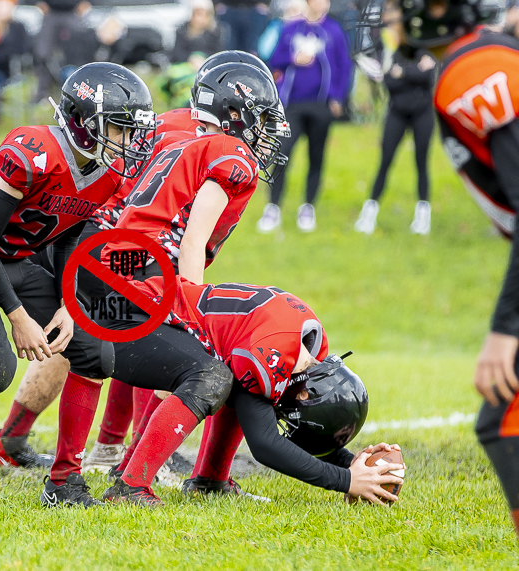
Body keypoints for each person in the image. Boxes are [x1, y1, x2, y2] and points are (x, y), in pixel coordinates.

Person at [31, 62, 285, 507]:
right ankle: (132, 479)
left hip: (107, 257)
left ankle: (79, 474)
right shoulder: (233, 156)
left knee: (100, 358)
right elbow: (191, 244)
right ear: (235, 116)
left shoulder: (187, 139)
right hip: (133, 268)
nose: (265, 133)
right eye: (260, 119)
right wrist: (194, 313)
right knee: (207, 369)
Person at [0, 62, 157, 507]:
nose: (127, 141)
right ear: (85, 123)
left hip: (16, 259)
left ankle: (65, 481)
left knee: (96, 353)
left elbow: (71, 232)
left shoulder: (108, 170)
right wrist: (18, 316)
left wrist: (69, 303)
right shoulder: (34, 152)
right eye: (118, 128)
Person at [358, 0, 517, 539]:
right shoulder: (473, 60)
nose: (392, 21)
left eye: (402, 10)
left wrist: (504, 331)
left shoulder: (473, 70)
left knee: (505, 421)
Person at [99, 275, 403, 505]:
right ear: (305, 395)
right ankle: (130, 487)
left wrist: (348, 462)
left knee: (231, 378)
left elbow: (253, 403)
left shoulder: (306, 349)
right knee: (211, 379)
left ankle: (209, 482)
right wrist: (346, 480)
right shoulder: (276, 349)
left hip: (149, 312)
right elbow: (265, 443)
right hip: (128, 313)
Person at [257, 0, 353, 233]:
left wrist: (338, 97)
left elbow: (344, 65)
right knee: (282, 153)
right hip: (292, 105)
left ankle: (308, 207)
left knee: (316, 156)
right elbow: (273, 59)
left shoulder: (334, 30)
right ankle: (273, 207)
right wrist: (293, 59)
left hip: (321, 105)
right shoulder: (291, 28)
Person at [354, 0, 436, 236]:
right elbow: (389, 80)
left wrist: (404, 72)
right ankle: (368, 214)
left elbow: (428, 77)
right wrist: (414, 71)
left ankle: (423, 216)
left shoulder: (422, 41)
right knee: (385, 161)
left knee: (422, 162)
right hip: (397, 110)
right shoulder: (386, 47)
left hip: (422, 111)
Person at [32, 0, 97, 104]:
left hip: (73, 11)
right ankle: (42, 94)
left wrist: (88, 2)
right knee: (42, 53)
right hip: (51, 11)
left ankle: (82, 94)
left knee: (80, 53)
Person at [171, 0, 224, 65]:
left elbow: (218, 53)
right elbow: (177, 53)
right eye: (197, 14)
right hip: (186, 66)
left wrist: (203, 60)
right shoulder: (182, 30)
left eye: (204, 14)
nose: (199, 18)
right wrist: (191, 59)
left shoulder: (215, 32)